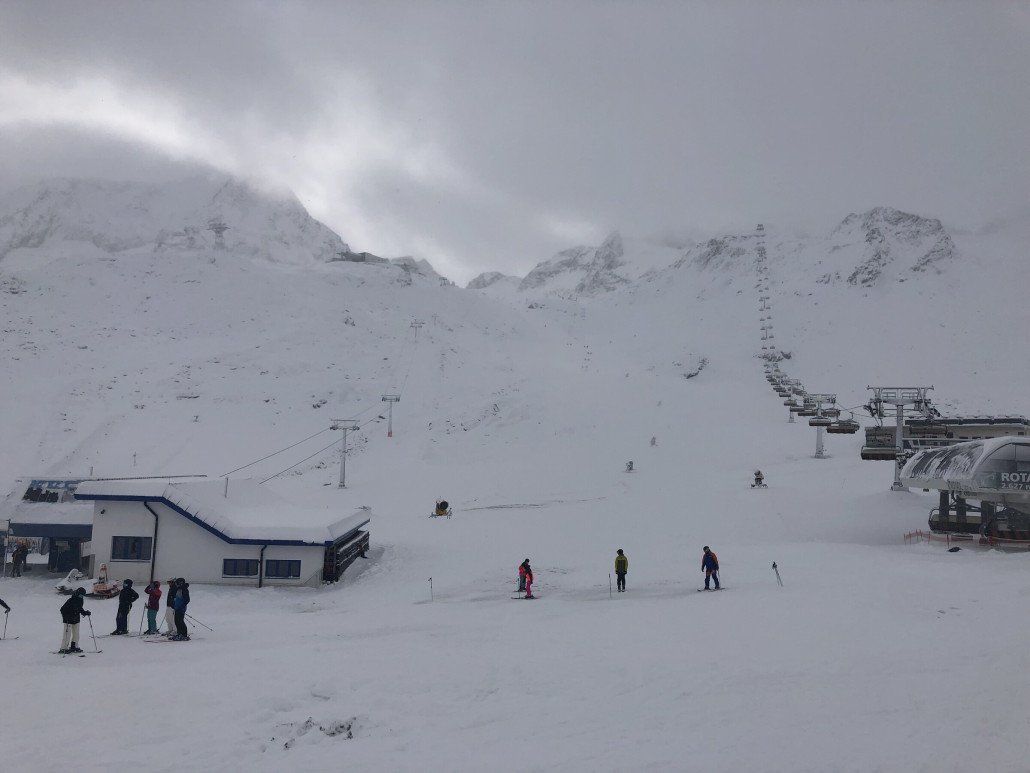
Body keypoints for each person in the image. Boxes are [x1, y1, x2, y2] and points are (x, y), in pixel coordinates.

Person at [59, 587, 91, 654]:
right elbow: (62, 609)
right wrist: (66, 617)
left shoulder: (80, 600)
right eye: (80, 595)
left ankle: (74, 647)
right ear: (77, 593)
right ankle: (63, 648)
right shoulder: (71, 600)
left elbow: (80, 608)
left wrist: (85, 613)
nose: (81, 597)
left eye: (82, 596)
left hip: (76, 619)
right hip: (68, 620)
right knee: (67, 634)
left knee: (76, 634)